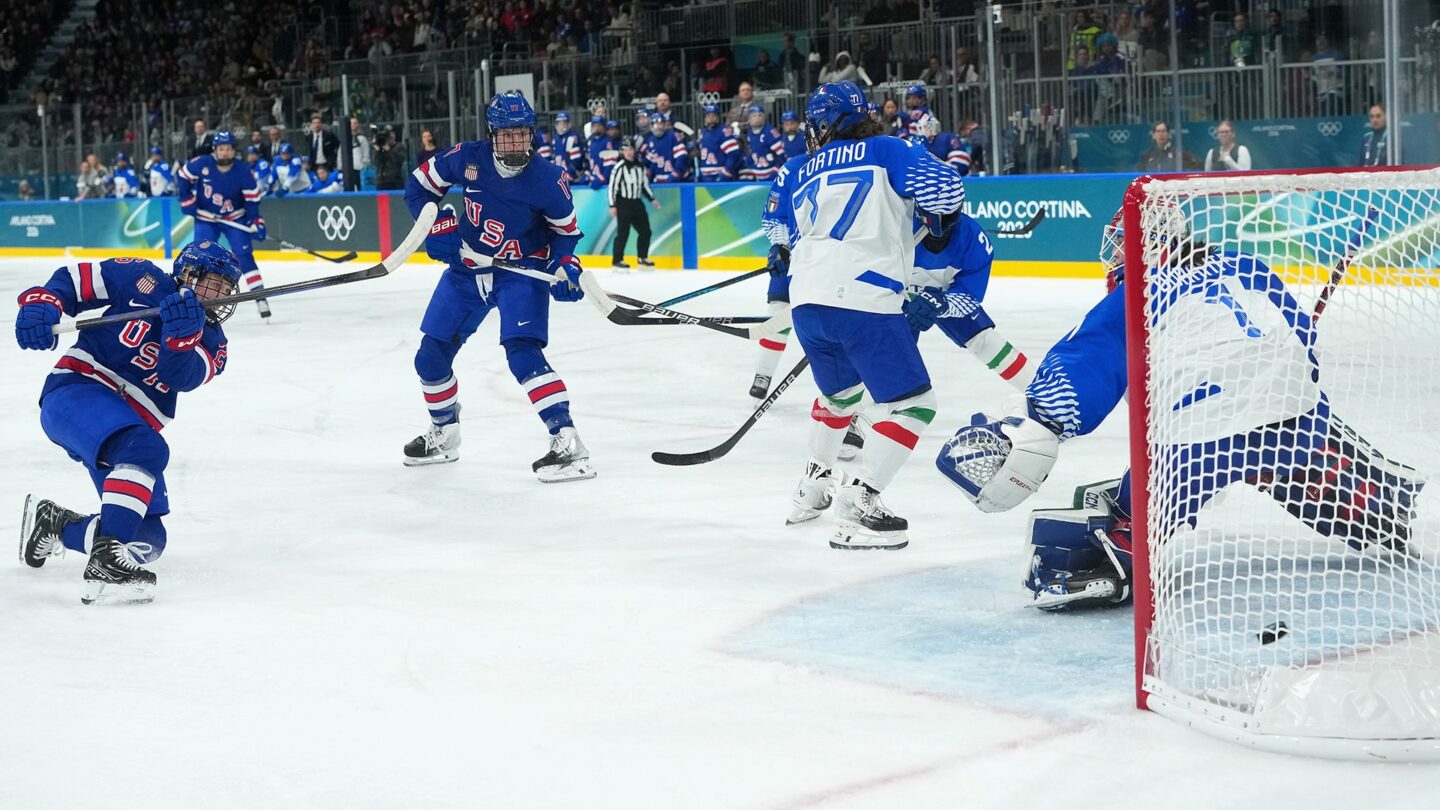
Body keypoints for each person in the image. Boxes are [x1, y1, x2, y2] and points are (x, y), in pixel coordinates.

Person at [938, 207, 1424, 610]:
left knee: (1124, 510)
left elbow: (1079, 373)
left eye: (1123, 244)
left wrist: (1030, 425)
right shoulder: (1245, 264)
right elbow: (1299, 345)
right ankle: (1373, 503)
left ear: (1149, 246)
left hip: (1199, 439)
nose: (1116, 257)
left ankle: (1113, 553)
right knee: (1282, 435)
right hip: (1297, 416)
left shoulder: (1139, 292)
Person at [772, 81, 965, 549]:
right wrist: (933, 221)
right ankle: (859, 504)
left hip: (806, 300)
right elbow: (948, 190)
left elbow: (780, 229)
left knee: (840, 400)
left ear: (826, 124)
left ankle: (812, 489)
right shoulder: (886, 149)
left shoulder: (800, 168)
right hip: (864, 297)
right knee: (914, 405)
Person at [15, 241, 240, 604]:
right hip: (76, 392)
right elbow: (76, 281)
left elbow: (180, 376)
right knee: (148, 448)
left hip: (124, 432)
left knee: (149, 539)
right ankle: (105, 564)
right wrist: (44, 302)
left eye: (226, 288)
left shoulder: (214, 343)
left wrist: (182, 339)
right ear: (188, 274)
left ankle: (56, 524)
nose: (222, 295)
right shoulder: (140, 277)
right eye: (215, 283)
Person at [401, 91, 594, 483]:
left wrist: (563, 268)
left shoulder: (548, 179)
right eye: (506, 135)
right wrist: (435, 224)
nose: (514, 143)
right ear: (492, 135)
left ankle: (568, 442)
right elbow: (419, 187)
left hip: (520, 272)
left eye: (521, 134)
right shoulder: (466, 158)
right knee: (429, 358)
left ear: (531, 134)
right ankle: (445, 434)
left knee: (522, 353)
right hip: (466, 270)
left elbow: (566, 234)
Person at [175, 131, 270, 320]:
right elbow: (182, 175)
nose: (225, 152)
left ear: (234, 151)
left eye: (228, 149)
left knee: (244, 256)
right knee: (199, 258)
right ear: (215, 150)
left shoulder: (243, 171)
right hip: (206, 218)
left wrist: (255, 220)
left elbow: (252, 200)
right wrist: (187, 201)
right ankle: (191, 300)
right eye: (221, 149)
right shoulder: (202, 163)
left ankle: (260, 297)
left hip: (234, 218)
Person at [608, 141, 660, 270]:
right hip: (624, 203)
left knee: (646, 231)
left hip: (637, 202)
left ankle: (642, 258)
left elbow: (644, 185)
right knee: (623, 232)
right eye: (626, 150)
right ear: (623, 152)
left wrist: (652, 199)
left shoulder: (640, 166)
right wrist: (612, 205)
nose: (629, 152)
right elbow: (612, 187)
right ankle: (617, 260)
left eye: (631, 149)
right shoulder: (619, 167)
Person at [697, 103, 742, 182]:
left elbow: (734, 154)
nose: (711, 118)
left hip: (720, 175)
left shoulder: (724, 131)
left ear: (718, 117)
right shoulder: (703, 132)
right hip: (705, 176)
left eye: (713, 116)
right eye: (708, 116)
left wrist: (726, 172)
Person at [739, 105, 784, 182]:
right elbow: (750, 152)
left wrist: (776, 171)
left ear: (764, 118)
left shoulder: (770, 131)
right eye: (754, 116)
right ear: (749, 119)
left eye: (760, 115)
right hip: (757, 176)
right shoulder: (749, 133)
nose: (757, 118)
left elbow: (782, 155)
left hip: (772, 174)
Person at [641, 112, 689, 183]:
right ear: (651, 126)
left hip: (674, 179)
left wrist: (677, 172)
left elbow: (682, 156)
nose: (658, 126)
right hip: (657, 181)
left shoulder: (673, 136)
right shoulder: (650, 140)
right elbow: (648, 162)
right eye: (655, 124)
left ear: (665, 124)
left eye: (660, 123)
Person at [586, 116, 619, 188]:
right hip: (592, 176)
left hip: (603, 180)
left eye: (599, 125)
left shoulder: (608, 141)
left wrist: (603, 178)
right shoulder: (590, 140)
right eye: (594, 125)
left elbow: (611, 163)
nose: (596, 128)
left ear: (603, 127)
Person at [549, 112, 583, 181]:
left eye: (564, 123)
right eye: (559, 123)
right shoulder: (555, 138)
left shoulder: (572, 137)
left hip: (571, 176)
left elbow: (576, 162)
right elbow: (553, 157)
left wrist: (569, 173)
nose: (561, 126)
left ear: (568, 124)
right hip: (558, 175)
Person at [373, 125, 407, 190]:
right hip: (381, 180)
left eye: (392, 134)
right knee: (382, 200)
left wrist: (389, 150)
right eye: (389, 135)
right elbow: (375, 163)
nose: (391, 136)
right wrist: (378, 151)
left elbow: (400, 160)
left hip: (395, 181)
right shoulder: (380, 147)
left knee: (395, 200)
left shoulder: (399, 146)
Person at [348, 118, 371, 189]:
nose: (353, 125)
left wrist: (365, 165)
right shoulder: (345, 138)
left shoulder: (362, 139)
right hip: (348, 169)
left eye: (355, 123)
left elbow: (366, 153)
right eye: (351, 123)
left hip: (360, 168)